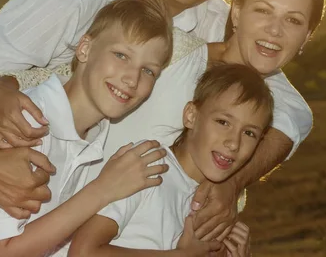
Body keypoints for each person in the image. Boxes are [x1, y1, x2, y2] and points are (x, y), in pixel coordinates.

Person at [0, 0, 326, 244]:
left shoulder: (251, 125)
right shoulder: (171, 51)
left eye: (293, 21)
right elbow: (63, 74)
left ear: (307, 36)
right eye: (263, 11)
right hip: (28, 225)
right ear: (235, 13)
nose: (274, 30)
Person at [0, 0, 174, 256]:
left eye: (149, 70)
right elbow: (0, 252)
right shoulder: (23, 122)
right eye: (121, 55)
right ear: (85, 49)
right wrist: (105, 189)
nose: (132, 78)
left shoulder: (93, 142)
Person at [68, 63, 271, 256]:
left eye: (249, 133)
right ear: (191, 116)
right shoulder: (148, 168)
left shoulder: (217, 212)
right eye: (223, 122)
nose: (234, 143)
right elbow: (83, 252)